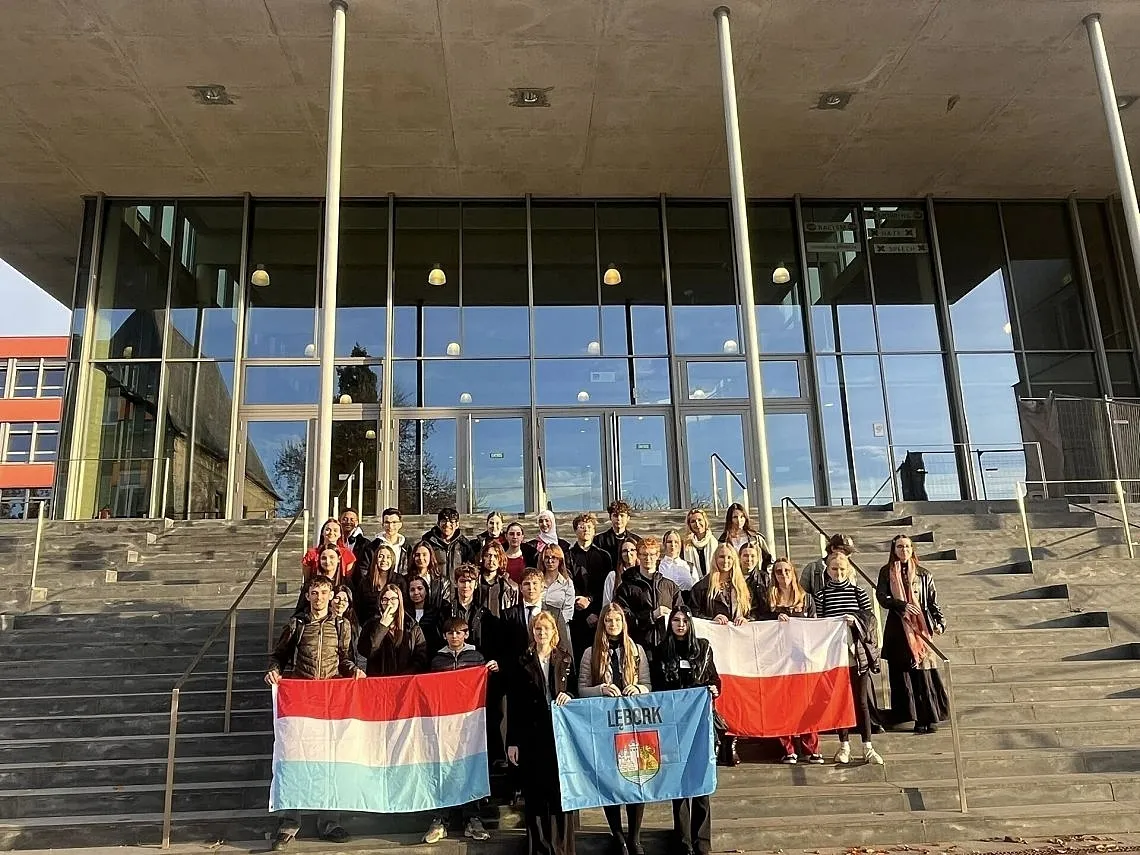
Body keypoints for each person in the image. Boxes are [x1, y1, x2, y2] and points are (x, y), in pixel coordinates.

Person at [265, 574, 363, 850]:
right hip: (301, 701)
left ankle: (329, 821)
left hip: (330, 701)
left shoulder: (342, 625)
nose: (319, 598)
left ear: (332, 596)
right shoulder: (297, 624)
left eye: (324, 593)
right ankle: (289, 823)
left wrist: (354, 671)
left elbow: (346, 659)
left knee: (329, 761)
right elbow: (279, 656)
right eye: (314, 593)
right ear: (308, 595)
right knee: (294, 759)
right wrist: (273, 670)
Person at [578, 603, 651, 855]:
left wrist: (638, 688)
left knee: (636, 778)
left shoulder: (636, 650)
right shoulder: (590, 653)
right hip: (604, 726)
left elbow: (648, 685)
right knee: (610, 780)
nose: (613, 625)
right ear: (603, 624)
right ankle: (618, 835)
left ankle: (635, 837)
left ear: (623, 623)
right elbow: (581, 690)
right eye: (608, 621)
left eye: (617, 620)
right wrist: (601, 689)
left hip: (632, 725)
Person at [423, 615, 498, 844]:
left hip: (470, 724)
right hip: (443, 724)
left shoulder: (477, 657)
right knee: (442, 767)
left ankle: (472, 818)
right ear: (444, 635)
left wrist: (493, 671)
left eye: (459, 632)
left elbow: (488, 689)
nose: (454, 636)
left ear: (466, 634)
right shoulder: (437, 660)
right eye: (450, 633)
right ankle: (440, 820)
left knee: (470, 767)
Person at [507, 612, 576, 855]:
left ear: (554, 631)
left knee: (559, 791)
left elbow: (576, 691)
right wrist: (512, 742)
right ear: (533, 632)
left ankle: (561, 847)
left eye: (546, 628)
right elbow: (514, 703)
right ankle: (538, 847)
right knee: (535, 792)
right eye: (538, 629)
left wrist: (570, 696)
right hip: (531, 734)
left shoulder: (565, 659)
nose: (542, 632)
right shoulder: (522, 661)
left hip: (560, 735)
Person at [653, 606, 720, 855]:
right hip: (673, 726)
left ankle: (702, 842)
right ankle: (683, 841)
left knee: (701, 780)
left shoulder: (703, 647)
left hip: (699, 723)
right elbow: (658, 688)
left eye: (684, 620)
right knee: (678, 783)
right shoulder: (661, 651)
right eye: (676, 620)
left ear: (690, 623)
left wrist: (714, 688)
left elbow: (714, 678)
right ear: (670, 624)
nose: (680, 624)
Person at [814, 552, 883, 766]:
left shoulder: (858, 592)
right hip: (834, 656)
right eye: (834, 569)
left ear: (848, 570)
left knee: (861, 700)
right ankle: (844, 745)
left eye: (842, 569)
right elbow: (819, 624)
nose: (838, 573)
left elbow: (870, 622)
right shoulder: (822, 595)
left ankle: (867, 746)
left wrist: (855, 622)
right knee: (840, 700)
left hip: (857, 653)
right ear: (828, 570)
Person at [876, 534, 949, 734]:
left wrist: (940, 622)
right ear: (894, 550)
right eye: (900, 547)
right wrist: (902, 605)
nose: (904, 550)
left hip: (920, 629)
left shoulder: (924, 574)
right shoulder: (886, 571)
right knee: (904, 675)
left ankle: (929, 717)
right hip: (898, 628)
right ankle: (913, 717)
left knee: (923, 675)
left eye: (907, 546)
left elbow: (932, 602)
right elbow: (882, 597)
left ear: (912, 549)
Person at [755, 558, 821, 764]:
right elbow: (758, 624)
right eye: (778, 571)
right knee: (782, 704)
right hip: (778, 659)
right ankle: (788, 749)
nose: (783, 575)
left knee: (807, 703)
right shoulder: (767, 598)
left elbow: (815, 626)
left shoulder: (806, 598)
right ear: (773, 575)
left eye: (787, 571)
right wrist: (774, 620)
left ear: (793, 573)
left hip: (802, 660)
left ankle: (811, 748)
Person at [613, 537, 683, 660]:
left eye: (651, 554)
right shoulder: (626, 587)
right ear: (638, 556)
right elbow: (622, 618)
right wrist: (652, 616)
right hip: (638, 646)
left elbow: (682, 615)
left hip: (667, 648)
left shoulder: (670, 586)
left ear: (658, 556)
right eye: (644, 554)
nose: (648, 558)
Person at [502, 567, 574, 664]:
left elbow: (563, 645)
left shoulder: (555, 613)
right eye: (527, 584)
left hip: (548, 666)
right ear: (521, 588)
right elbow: (505, 646)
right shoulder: (509, 614)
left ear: (542, 586)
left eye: (535, 583)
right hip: (518, 668)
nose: (531, 588)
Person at [422, 564, 495, 655]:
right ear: (456, 583)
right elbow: (438, 641)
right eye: (462, 581)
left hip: (477, 660)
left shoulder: (485, 614)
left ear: (476, 584)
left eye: (470, 581)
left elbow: (490, 643)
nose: (466, 585)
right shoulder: (445, 612)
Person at [567, 512, 611, 658]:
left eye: (589, 527)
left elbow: (606, 587)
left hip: (600, 615)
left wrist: (593, 605)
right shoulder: (568, 556)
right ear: (575, 530)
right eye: (581, 527)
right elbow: (569, 585)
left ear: (594, 531)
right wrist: (585, 612)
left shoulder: (604, 556)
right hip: (577, 616)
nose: (585, 530)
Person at [358, 583, 428, 676]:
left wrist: (406, 675)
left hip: (406, 680)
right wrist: (382, 627)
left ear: (399, 601)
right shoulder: (370, 625)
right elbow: (366, 651)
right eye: (385, 599)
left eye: (393, 599)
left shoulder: (413, 626)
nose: (389, 603)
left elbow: (421, 657)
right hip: (379, 680)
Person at [689, 544, 752, 626]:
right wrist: (712, 619)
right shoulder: (701, 587)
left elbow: (753, 612)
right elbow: (693, 614)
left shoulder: (743, 586)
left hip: (737, 631)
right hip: (713, 632)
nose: (725, 561)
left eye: (729, 557)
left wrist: (745, 619)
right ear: (715, 559)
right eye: (722, 557)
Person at [353, 542, 403, 626]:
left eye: (388, 557)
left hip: (394, 625)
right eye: (381, 556)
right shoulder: (365, 582)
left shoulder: (400, 580)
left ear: (393, 560)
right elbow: (358, 608)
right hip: (369, 626)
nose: (384, 560)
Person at [422, 508, 474, 581]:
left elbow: (470, 569)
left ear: (457, 525)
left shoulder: (464, 545)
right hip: (434, 586)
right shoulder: (428, 542)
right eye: (444, 521)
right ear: (438, 523)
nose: (447, 524)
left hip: (457, 586)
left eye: (451, 522)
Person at [800, 533, 855, 599]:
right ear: (833, 548)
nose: (848, 555)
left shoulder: (850, 570)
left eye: (850, 553)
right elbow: (802, 595)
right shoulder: (812, 569)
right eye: (846, 551)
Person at [594, 500, 642, 572]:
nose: (619, 519)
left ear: (628, 518)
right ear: (610, 517)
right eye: (615, 515)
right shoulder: (598, 540)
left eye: (622, 515)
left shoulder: (637, 541)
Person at [477, 540, 520, 617]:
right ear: (483, 557)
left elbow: (512, 614)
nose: (491, 559)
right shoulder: (474, 583)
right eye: (488, 555)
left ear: (500, 559)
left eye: (495, 556)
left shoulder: (509, 587)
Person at [295, 545, 343, 613]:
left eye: (332, 557)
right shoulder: (311, 583)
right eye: (324, 558)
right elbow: (300, 610)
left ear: (338, 559)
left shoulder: (345, 582)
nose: (327, 561)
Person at [540, 545, 577, 628]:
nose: (550, 561)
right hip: (539, 626)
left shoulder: (567, 583)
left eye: (554, 557)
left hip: (560, 626)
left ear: (560, 560)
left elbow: (568, 609)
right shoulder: (537, 581)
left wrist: (554, 624)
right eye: (546, 557)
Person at [408, 541, 451, 609]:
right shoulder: (406, 580)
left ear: (430, 556)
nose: (421, 558)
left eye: (424, 554)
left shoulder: (443, 582)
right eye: (417, 555)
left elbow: (446, 606)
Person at [602, 540, 641, 610]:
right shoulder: (613, 576)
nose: (628, 553)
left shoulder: (643, 573)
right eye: (625, 551)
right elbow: (607, 602)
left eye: (632, 550)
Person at [681, 508, 717, 580]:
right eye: (693, 521)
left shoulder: (715, 543)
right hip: (693, 583)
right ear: (689, 525)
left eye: (699, 520)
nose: (697, 524)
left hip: (713, 581)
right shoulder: (686, 545)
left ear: (705, 521)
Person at [377, 507, 410, 575]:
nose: (390, 526)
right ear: (382, 524)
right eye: (387, 522)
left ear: (400, 524)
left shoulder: (406, 548)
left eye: (394, 522)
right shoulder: (373, 547)